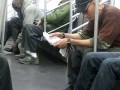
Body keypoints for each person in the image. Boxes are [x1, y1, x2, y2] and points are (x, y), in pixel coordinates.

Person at [50, 0, 120, 89]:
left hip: (116, 47)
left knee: (89, 52)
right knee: (74, 48)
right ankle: (73, 85)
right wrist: (63, 35)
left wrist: (69, 41)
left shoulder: (112, 13)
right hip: (107, 45)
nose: (85, 14)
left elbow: (102, 43)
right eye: (82, 12)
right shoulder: (95, 14)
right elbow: (84, 35)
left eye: (85, 11)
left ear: (94, 3)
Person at [16, 0, 70, 64]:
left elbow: (55, 17)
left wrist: (43, 19)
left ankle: (33, 57)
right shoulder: (63, 4)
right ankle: (26, 53)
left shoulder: (68, 6)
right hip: (49, 27)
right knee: (26, 27)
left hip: (54, 29)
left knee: (29, 28)